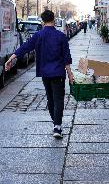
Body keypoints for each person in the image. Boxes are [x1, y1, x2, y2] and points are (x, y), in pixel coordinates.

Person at [5, 10, 73, 139]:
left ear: (43, 21)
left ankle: (55, 123)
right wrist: (70, 74)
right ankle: (57, 126)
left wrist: (11, 58)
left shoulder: (39, 35)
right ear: (54, 20)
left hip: (45, 73)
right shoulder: (61, 36)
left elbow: (25, 47)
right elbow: (66, 57)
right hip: (58, 73)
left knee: (50, 98)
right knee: (58, 99)